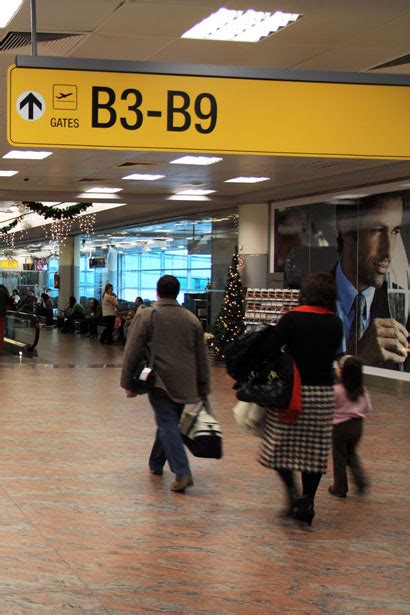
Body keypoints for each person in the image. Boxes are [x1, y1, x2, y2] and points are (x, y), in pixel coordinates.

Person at [258, 273, 343, 526]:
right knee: (314, 453)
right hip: (323, 394)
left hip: (291, 392)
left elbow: (269, 349)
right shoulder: (335, 323)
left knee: (278, 448)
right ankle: (308, 500)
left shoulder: (292, 319)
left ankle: (293, 494)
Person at [121, 275, 210, 493]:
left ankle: (182, 472)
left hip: (159, 380)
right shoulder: (191, 319)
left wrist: (127, 382)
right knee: (169, 420)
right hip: (185, 381)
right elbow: (201, 356)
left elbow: (133, 349)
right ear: (178, 292)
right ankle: (156, 462)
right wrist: (203, 385)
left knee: (167, 422)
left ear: (158, 291)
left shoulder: (148, 315)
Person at [335, 191, 409, 368]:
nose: (388, 251)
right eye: (377, 230)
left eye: (395, 231)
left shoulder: (402, 303)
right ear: (346, 230)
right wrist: (357, 359)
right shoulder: (310, 299)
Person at [329, 355, 371, 498]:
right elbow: (367, 408)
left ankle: (340, 488)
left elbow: (329, 407)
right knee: (351, 454)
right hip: (357, 426)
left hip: (340, 428)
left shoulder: (337, 389)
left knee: (339, 457)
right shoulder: (362, 391)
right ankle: (361, 481)